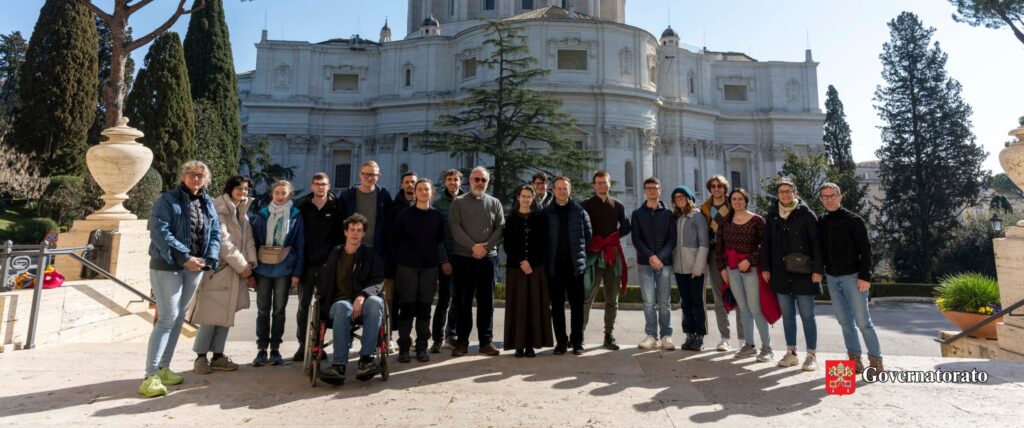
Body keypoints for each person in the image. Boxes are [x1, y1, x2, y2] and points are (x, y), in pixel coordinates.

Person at [140, 160, 221, 398]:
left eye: (200, 175)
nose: (196, 179)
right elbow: (160, 231)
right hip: (167, 265)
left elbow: (214, 231)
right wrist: (184, 257)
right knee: (166, 318)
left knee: (178, 319)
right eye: (191, 174)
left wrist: (210, 258)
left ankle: (164, 368)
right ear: (183, 176)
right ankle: (150, 375)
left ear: (206, 179)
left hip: (195, 266)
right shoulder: (168, 199)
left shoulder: (207, 202)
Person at [191, 175, 255, 375]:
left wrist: (251, 262)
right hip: (219, 269)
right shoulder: (219, 209)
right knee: (210, 315)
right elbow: (223, 243)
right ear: (230, 189)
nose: (243, 192)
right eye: (239, 188)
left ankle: (218, 355)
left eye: (245, 189)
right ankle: (200, 358)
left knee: (226, 314)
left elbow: (248, 239)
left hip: (234, 270)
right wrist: (244, 267)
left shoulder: (241, 210)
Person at [818, 182, 883, 373]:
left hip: (854, 277)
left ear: (840, 197)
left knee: (863, 322)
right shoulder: (821, 222)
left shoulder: (854, 220)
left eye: (832, 196)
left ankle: (876, 360)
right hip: (832, 277)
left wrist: (865, 276)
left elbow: (866, 250)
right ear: (821, 200)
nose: (829, 200)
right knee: (845, 322)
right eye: (825, 197)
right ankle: (854, 359)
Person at [315, 214, 386, 385]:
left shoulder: (370, 255)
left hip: (365, 304)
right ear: (345, 232)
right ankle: (339, 364)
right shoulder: (335, 254)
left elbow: (378, 280)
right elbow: (323, 280)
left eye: (359, 230)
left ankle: (366, 360)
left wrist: (362, 296)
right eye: (352, 230)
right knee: (343, 307)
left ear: (363, 234)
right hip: (338, 305)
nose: (355, 233)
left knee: (376, 302)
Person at [762, 179, 823, 371]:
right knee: (788, 316)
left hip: (804, 272)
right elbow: (766, 244)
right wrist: (765, 267)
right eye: (781, 192)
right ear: (777, 195)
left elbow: (816, 244)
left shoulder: (806, 214)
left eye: (788, 191)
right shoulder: (772, 216)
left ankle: (811, 354)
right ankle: (791, 353)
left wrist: (818, 270)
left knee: (807, 315)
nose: (785, 195)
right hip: (781, 272)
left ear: (795, 193)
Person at [339, 160, 396, 351]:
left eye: (374, 175)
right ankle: (345, 339)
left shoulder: (384, 195)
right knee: (346, 291)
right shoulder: (348, 195)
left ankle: (375, 342)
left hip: (374, 251)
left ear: (378, 177)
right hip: (351, 250)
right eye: (366, 174)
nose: (370, 178)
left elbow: (388, 224)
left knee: (376, 295)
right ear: (359, 175)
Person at [448, 166, 504, 357]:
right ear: (470, 181)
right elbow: (455, 228)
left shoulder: (495, 203)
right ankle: (462, 342)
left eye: (483, 180)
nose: (480, 183)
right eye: (476, 179)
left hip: (488, 259)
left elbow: (500, 228)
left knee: (486, 303)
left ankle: (486, 342)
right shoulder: (458, 202)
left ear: (488, 182)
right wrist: (473, 247)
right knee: (463, 302)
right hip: (464, 258)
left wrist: (485, 248)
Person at [251, 180, 305, 366]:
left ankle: (275, 349)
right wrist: (251, 269)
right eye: (277, 193)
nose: (280, 196)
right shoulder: (263, 214)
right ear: (272, 194)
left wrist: (297, 272)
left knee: (279, 311)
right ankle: (261, 349)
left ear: (289, 195)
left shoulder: (297, 216)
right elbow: (255, 241)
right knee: (263, 310)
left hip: (284, 268)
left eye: (283, 193)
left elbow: (300, 245)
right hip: (263, 268)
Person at [393, 179, 446, 363]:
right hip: (407, 267)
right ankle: (404, 348)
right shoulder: (404, 215)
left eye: (427, 189)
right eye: (420, 189)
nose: (423, 192)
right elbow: (396, 238)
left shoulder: (437, 217)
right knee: (406, 308)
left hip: (429, 268)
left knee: (424, 309)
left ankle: (422, 346)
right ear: (414, 193)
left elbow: (439, 239)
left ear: (432, 193)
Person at [716, 188, 772, 362]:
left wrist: (749, 260)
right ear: (730, 201)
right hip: (732, 269)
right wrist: (722, 268)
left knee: (755, 308)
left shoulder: (757, 220)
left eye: (740, 199)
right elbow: (719, 247)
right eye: (734, 199)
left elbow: (764, 245)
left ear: (746, 201)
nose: (737, 201)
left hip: (751, 269)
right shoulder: (725, 222)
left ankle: (767, 347)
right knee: (743, 308)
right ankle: (749, 345)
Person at [294, 172, 345, 362]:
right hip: (306, 264)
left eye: (323, 184)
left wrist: (333, 260)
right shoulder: (303, 207)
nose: (320, 187)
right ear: (311, 186)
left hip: (328, 264)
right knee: (303, 306)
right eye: (317, 184)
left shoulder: (337, 206)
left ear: (329, 186)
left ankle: (319, 345)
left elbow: (340, 236)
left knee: (324, 307)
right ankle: (302, 345)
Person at [581, 171, 631, 350]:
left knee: (612, 298)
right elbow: (579, 228)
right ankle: (579, 334)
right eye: (599, 183)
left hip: (612, 255)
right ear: (594, 185)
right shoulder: (585, 205)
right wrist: (593, 241)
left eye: (605, 182)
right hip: (593, 255)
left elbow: (626, 227)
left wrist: (611, 239)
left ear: (610, 184)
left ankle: (609, 335)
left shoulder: (617, 205)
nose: (602, 185)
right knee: (587, 296)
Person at [544, 177, 593, 355]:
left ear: (570, 190)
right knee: (556, 307)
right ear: (553, 191)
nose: (562, 192)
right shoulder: (547, 213)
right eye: (559, 189)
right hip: (555, 268)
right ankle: (561, 343)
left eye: (565, 188)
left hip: (575, 267)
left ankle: (577, 342)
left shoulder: (580, 212)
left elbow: (588, 237)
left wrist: (580, 258)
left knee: (577, 307)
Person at [504, 185, 554, 357]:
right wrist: (521, 261)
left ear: (532, 199)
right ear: (518, 198)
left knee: (534, 305)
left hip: (536, 268)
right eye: (523, 196)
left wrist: (530, 261)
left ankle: (532, 345)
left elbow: (543, 243)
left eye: (528, 196)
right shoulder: (510, 219)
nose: (525, 199)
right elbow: (508, 245)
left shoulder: (540, 218)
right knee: (519, 305)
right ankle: (518, 345)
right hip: (516, 269)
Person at [631, 177, 677, 351]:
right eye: (648, 188)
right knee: (649, 302)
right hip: (645, 263)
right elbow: (636, 238)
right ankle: (651, 335)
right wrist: (651, 256)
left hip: (664, 263)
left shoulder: (668, 214)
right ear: (644, 191)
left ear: (660, 190)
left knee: (665, 302)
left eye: (654, 188)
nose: (651, 190)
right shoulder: (637, 214)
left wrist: (660, 257)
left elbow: (672, 238)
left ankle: (666, 336)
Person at [700, 175, 744, 352]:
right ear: (710, 188)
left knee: (740, 297)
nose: (716, 189)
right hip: (713, 254)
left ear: (725, 188)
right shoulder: (705, 208)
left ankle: (743, 337)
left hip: (733, 254)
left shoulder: (733, 205)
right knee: (719, 297)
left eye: (719, 186)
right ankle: (725, 338)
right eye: (713, 186)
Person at [670, 186, 709, 351]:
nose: (679, 199)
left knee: (697, 303)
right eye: (676, 197)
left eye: (682, 196)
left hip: (695, 268)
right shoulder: (676, 218)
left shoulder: (697, 217)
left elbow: (704, 243)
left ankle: (700, 335)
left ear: (689, 198)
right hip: (679, 268)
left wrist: (698, 267)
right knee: (685, 303)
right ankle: (689, 333)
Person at [430, 169, 463, 353]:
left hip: (464, 258)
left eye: (455, 179)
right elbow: (438, 236)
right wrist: (443, 260)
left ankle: (452, 334)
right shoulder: (438, 204)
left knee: (459, 298)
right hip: (447, 259)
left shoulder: (467, 201)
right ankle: (437, 338)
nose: (452, 182)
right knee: (444, 299)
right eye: (449, 179)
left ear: (460, 182)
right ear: (445, 182)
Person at [388, 171, 418, 347]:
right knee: (392, 300)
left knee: (409, 301)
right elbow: (390, 234)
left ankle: (406, 336)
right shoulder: (393, 206)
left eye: (413, 182)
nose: (410, 185)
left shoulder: (422, 206)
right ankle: (389, 337)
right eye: (407, 182)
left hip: (415, 263)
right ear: (401, 184)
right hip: (396, 261)